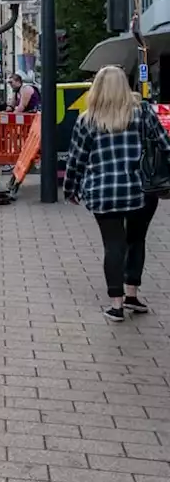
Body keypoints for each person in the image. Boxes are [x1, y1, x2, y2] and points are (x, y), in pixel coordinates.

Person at [62, 64, 167, 322]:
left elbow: (76, 159)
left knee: (113, 244)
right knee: (136, 241)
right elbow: (164, 145)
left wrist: (71, 189)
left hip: (103, 190)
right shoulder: (142, 112)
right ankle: (132, 294)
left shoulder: (87, 120)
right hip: (141, 189)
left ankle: (116, 304)